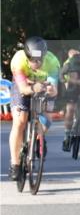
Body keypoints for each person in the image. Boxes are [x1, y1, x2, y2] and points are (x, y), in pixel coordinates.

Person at [7, 37, 60, 180]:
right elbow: (23, 89)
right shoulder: (18, 60)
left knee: (47, 120)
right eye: (33, 60)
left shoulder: (53, 62)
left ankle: (36, 138)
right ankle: (15, 164)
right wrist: (32, 87)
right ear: (27, 56)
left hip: (43, 85)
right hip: (23, 84)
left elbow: (54, 90)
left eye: (39, 60)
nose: (36, 63)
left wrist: (50, 90)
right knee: (20, 121)